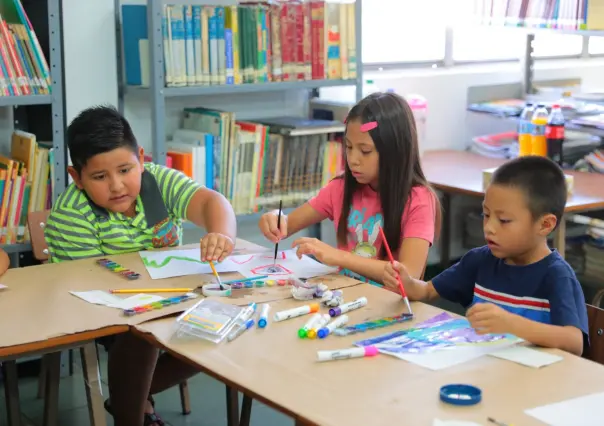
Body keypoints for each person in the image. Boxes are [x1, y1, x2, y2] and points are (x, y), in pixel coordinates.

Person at [44, 106, 237, 426]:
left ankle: (127, 397)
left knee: (223, 324)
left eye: (125, 170)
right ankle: (130, 412)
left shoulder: (156, 183)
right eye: (99, 176)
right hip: (98, 306)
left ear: (142, 159)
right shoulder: (72, 214)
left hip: (165, 298)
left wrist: (220, 233)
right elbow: (87, 284)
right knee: (144, 333)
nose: (117, 185)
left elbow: (210, 203)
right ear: (76, 177)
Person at [384, 156, 588, 356]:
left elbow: (574, 342)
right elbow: (428, 291)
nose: (489, 228)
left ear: (545, 224)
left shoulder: (557, 276)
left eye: (504, 220)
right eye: (486, 215)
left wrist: (513, 325)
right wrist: (407, 284)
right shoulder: (480, 260)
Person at [259, 92, 439, 285]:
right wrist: (275, 219)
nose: (353, 160)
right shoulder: (341, 188)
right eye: (349, 147)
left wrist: (338, 257)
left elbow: (408, 274)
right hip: (347, 298)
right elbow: (287, 224)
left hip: (390, 306)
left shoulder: (418, 200)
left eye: (365, 151)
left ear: (394, 150)